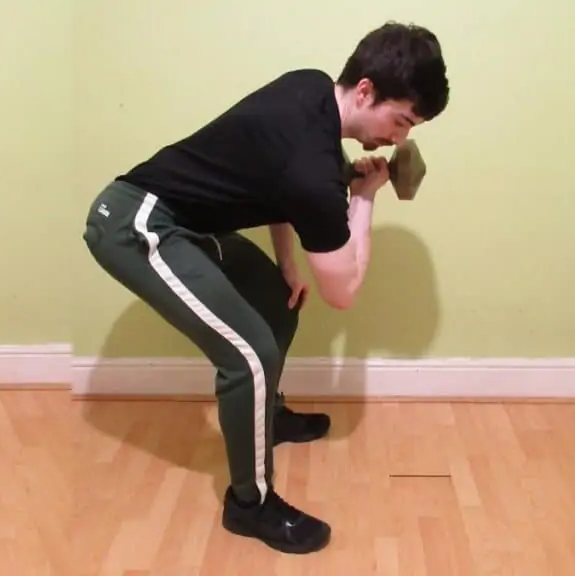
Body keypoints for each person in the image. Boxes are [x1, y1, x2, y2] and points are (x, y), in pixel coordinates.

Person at [81, 21, 448, 554]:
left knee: (279, 297)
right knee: (249, 352)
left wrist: (286, 261)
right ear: (366, 90)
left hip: (184, 224)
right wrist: (365, 197)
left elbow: (273, 176)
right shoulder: (314, 168)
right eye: (401, 120)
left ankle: (267, 417)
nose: (400, 139)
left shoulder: (310, 91)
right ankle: (248, 506)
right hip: (133, 224)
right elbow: (342, 290)